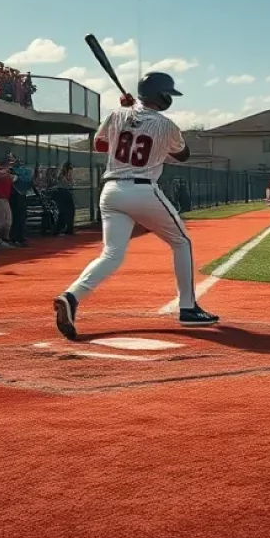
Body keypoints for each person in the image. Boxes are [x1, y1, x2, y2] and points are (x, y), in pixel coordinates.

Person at [53, 72, 218, 341]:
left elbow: (100, 144)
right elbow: (183, 155)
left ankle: (71, 296)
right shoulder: (166, 124)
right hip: (141, 190)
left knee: (111, 255)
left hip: (110, 191)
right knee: (181, 242)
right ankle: (188, 307)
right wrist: (134, 120)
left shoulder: (117, 113)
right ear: (161, 97)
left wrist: (127, 118)